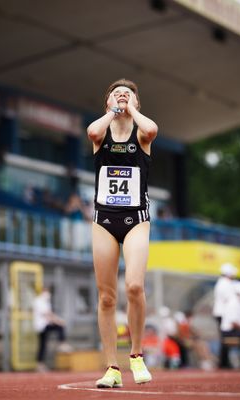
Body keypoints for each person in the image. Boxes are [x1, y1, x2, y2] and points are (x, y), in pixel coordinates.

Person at [87, 78, 158, 388]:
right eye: (116, 94)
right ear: (108, 103)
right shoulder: (100, 133)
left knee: (133, 287)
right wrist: (113, 111)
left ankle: (136, 356)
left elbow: (153, 130)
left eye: (128, 94)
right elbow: (92, 131)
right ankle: (111, 368)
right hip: (104, 219)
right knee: (106, 297)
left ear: (136, 103)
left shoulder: (142, 134)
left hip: (136, 219)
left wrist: (131, 109)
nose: (122, 96)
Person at [32, 287, 69, 372]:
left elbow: (49, 315)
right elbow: (47, 314)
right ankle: (62, 343)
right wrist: (58, 321)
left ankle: (40, 364)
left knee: (43, 345)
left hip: (45, 325)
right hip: (42, 326)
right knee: (59, 327)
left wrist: (56, 320)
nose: (48, 294)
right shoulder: (39, 301)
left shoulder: (45, 302)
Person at [213, 263, 237, 368]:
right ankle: (224, 362)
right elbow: (229, 300)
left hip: (223, 314)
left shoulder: (223, 283)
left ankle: (225, 361)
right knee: (225, 339)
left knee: (225, 339)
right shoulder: (225, 283)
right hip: (223, 314)